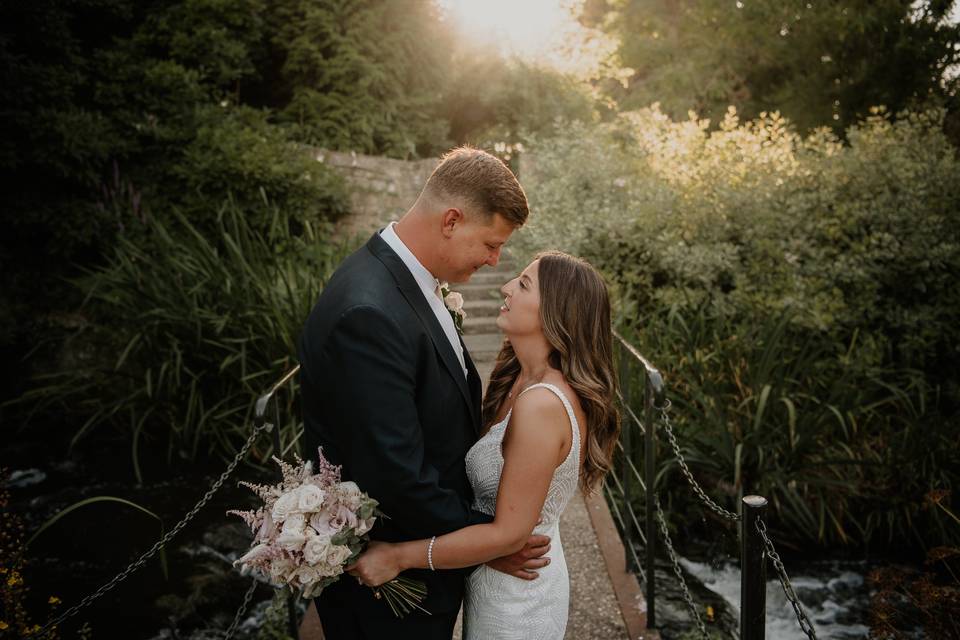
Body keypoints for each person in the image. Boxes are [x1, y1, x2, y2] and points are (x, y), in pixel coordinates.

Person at [297, 147, 551, 639]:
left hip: (418, 570)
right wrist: (491, 539)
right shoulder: (368, 312)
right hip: (388, 592)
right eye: (491, 243)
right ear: (452, 220)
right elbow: (396, 474)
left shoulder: (409, 281)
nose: (495, 260)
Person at [347, 251, 621, 639]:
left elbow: (509, 536)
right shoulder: (516, 379)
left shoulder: (542, 405)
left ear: (557, 313)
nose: (506, 287)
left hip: (520, 597)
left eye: (523, 284)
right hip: (493, 579)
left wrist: (396, 556)